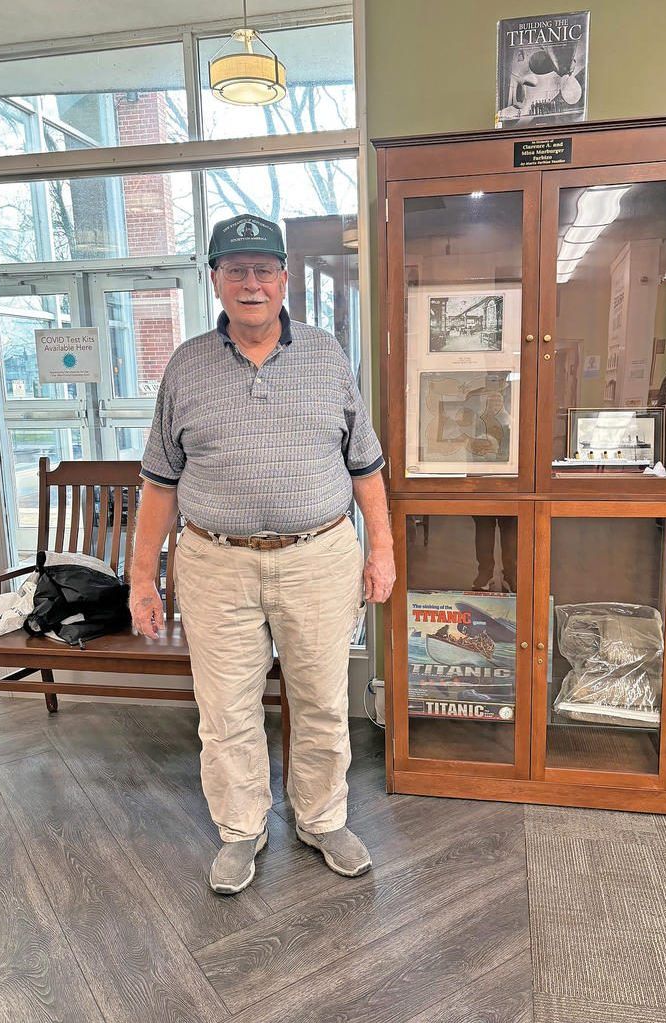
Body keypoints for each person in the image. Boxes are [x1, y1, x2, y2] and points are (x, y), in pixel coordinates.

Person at [129, 214, 395, 895]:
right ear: (215, 279)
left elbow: (365, 466)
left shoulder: (327, 354)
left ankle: (321, 816)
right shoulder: (185, 364)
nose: (252, 283)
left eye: (264, 269)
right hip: (215, 563)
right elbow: (159, 484)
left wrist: (382, 550)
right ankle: (242, 827)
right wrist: (142, 579)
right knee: (225, 709)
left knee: (322, 700)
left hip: (319, 556)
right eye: (236, 270)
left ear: (284, 277)